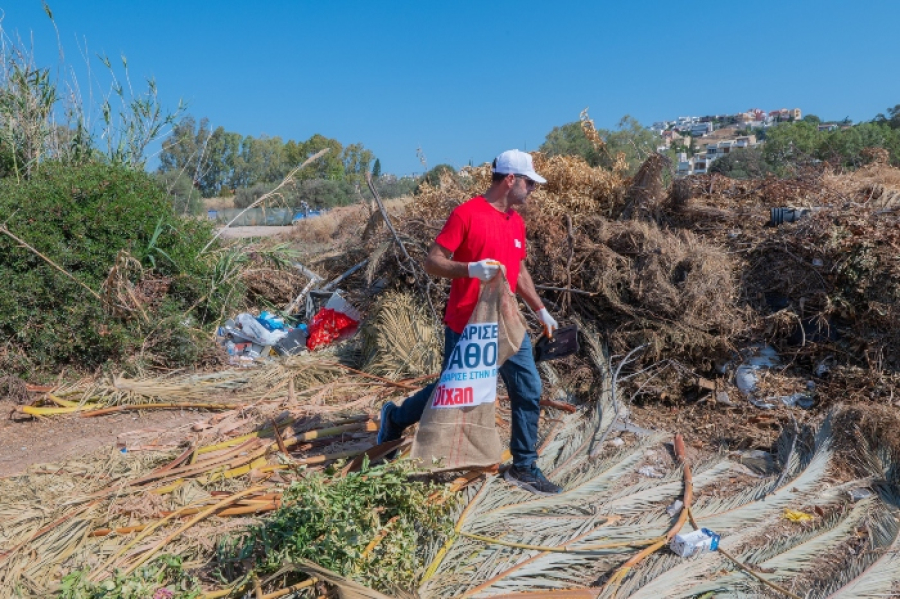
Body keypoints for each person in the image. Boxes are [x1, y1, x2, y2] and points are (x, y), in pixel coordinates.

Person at [377, 149, 563, 496]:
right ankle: (396, 418)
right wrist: (469, 269)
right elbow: (432, 261)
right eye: (529, 183)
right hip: (468, 325)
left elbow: (518, 270)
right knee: (453, 392)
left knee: (528, 387)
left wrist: (540, 310)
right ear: (510, 179)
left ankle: (524, 465)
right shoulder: (467, 214)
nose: (532, 190)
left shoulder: (516, 222)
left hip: (507, 323)